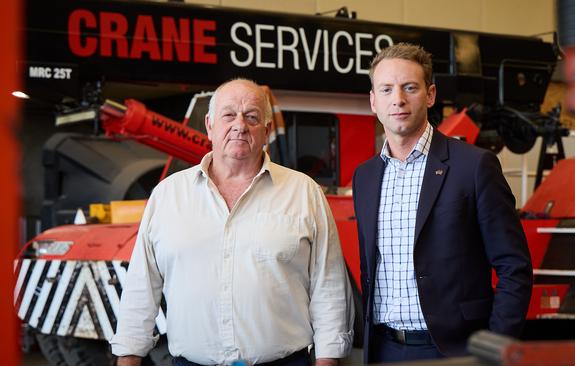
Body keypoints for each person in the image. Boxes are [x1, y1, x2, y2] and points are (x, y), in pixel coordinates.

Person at [111, 79, 354, 366]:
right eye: (229, 115)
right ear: (209, 125)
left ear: (265, 132)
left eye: (251, 116)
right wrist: (128, 357)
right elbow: (141, 288)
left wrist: (328, 359)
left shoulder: (304, 193)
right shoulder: (167, 195)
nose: (240, 125)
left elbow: (329, 288)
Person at [352, 43, 532, 363]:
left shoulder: (474, 167)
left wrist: (495, 351)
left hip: (454, 350)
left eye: (410, 87)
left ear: (430, 95)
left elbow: (513, 268)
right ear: (373, 101)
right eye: (387, 89)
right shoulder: (364, 177)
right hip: (383, 349)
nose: (398, 99)